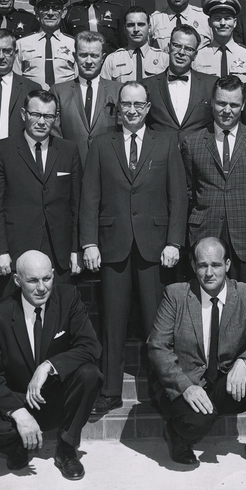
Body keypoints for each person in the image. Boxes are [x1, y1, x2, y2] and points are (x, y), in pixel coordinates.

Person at [79, 81, 188, 416]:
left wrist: (174, 241)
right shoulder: (100, 144)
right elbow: (90, 197)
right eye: (126, 104)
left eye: (138, 105)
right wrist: (89, 242)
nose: (131, 110)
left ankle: (160, 389)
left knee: (157, 325)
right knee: (112, 322)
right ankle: (111, 390)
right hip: (112, 246)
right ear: (117, 107)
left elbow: (178, 197)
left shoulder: (167, 142)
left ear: (148, 107)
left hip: (155, 248)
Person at [147, 238, 246, 470]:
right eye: (202, 265)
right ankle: (175, 433)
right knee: (197, 423)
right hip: (185, 384)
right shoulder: (176, 295)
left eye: (216, 265)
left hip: (221, 383)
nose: (209, 273)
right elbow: (157, 346)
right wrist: (185, 386)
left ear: (227, 264)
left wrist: (245, 362)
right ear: (193, 266)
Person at [0, 251, 103, 480]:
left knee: (90, 374)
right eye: (33, 281)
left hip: (55, 397)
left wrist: (48, 366)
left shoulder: (68, 297)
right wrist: (19, 414)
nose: (42, 287)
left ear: (53, 274)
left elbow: (91, 346)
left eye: (47, 278)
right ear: (17, 280)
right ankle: (19, 444)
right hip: (18, 397)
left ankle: (66, 448)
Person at [0, 90, 82, 287]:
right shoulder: (1, 151)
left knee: (57, 314)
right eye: (36, 114)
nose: (42, 121)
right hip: (14, 252)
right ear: (23, 114)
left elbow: (76, 205)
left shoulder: (69, 150)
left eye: (48, 116)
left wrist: (75, 249)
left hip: (58, 253)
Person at [181, 75, 246, 283]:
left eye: (234, 104)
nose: (227, 110)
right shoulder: (193, 142)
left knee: (244, 300)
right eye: (221, 103)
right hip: (206, 232)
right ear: (212, 102)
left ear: (243, 106)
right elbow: (188, 191)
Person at [50, 31, 121, 166]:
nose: (88, 61)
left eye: (94, 56)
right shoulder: (58, 91)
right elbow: (55, 134)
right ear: (75, 56)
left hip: (109, 166)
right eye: (83, 55)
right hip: (70, 166)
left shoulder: (117, 90)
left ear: (103, 58)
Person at [143, 24, 217, 143]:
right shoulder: (148, 85)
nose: (181, 52)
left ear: (195, 55)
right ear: (168, 47)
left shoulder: (211, 85)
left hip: (199, 155)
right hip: (160, 155)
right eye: (177, 46)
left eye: (188, 49)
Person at [14, 0, 77, 89]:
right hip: (33, 101)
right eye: (45, 8)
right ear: (36, 12)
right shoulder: (21, 44)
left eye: (56, 8)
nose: (50, 13)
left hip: (66, 102)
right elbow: (15, 81)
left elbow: (79, 82)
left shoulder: (73, 44)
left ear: (63, 12)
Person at [192, 0, 246, 82]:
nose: (223, 23)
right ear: (209, 22)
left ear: (235, 22)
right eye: (217, 18)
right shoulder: (197, 58)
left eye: (227, 18)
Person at [101, 6, 168, 81]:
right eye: (131, 25)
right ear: (124, 29)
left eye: (141, 24)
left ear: (149, 27)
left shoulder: (164, 59)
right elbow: (105, 90)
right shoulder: (112, 60)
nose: (136, 29)